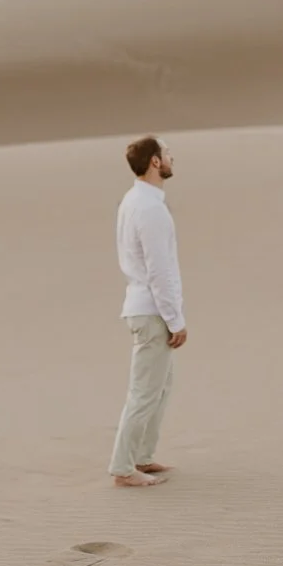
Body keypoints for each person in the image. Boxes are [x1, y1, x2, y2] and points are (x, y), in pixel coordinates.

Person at [108, 135, 188, 488]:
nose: (172, 158)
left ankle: (141, 456)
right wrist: (176, 319)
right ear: (155, 162)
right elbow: (159, 270)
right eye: (168, 153)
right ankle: (123, 466)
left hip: (145, 306)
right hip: (151, 310)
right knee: (144, 391)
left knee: (160, 387)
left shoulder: (137, 201)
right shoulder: (149, 207)